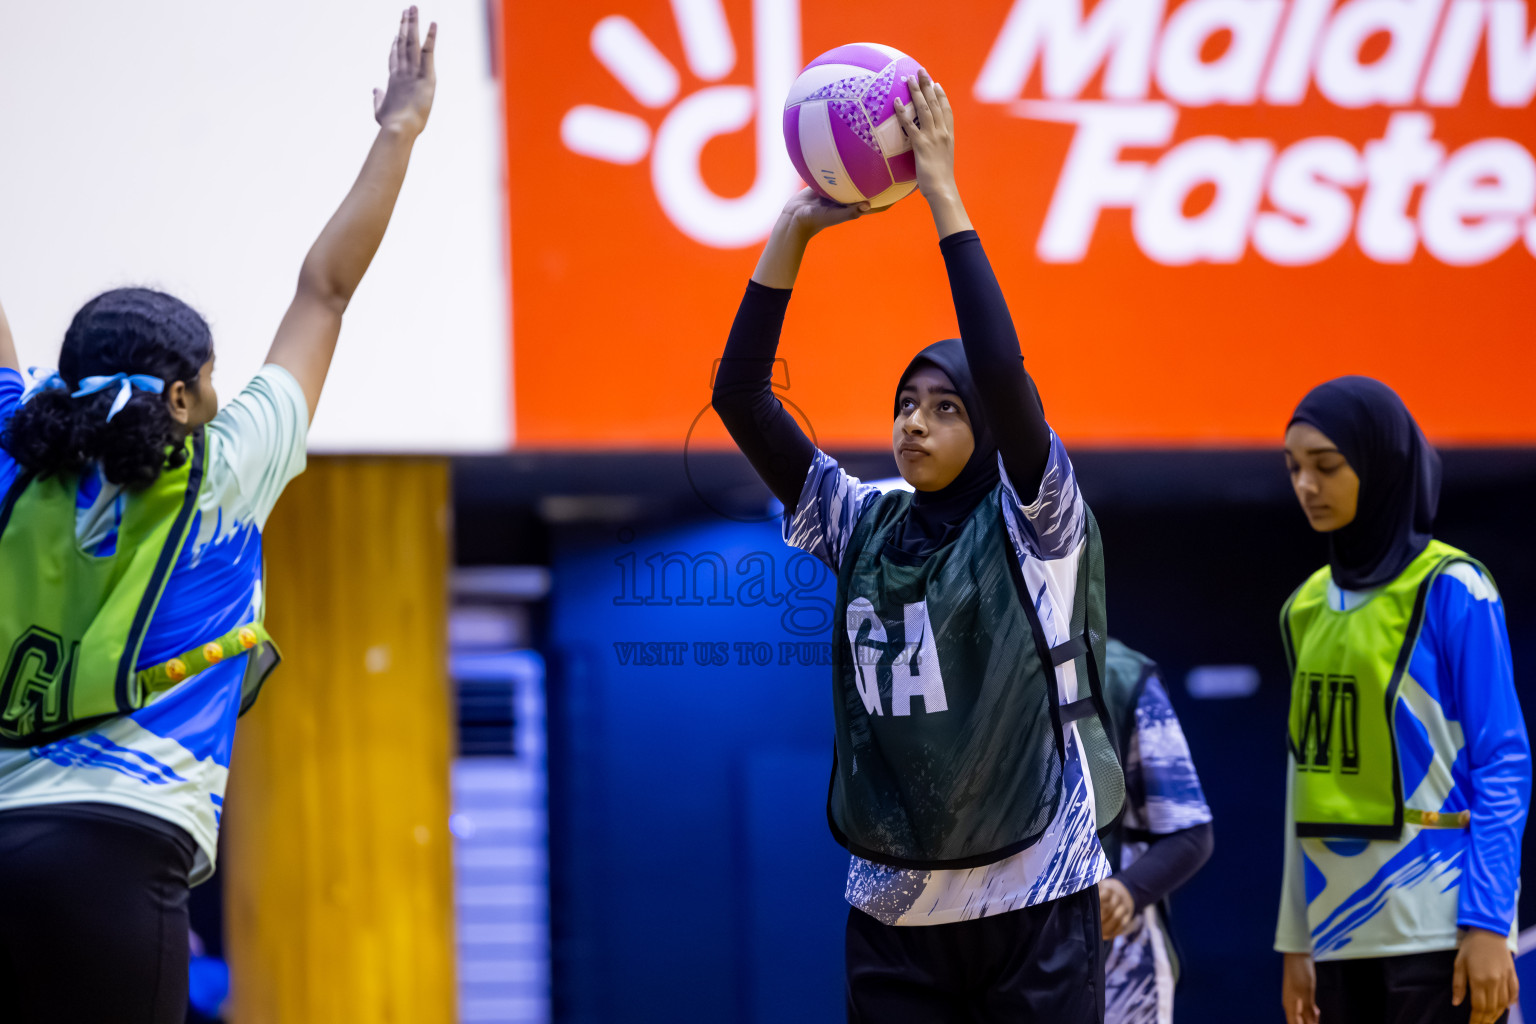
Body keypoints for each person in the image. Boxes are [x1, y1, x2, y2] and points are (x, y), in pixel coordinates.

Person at [0, 9, 437, 1021]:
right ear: (190, 396)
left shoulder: (15, 457)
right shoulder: (222, 471)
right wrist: (398, 132)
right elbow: (324, 292)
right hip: (123, 842)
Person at [713, 72, 1125, 1022]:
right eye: (905, 403)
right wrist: (791, 233)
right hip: (894, 907)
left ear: (983, 423)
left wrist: (943, 194)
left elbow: (1005, 371)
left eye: (944, 408)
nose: (915, 423)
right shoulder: (864, 518)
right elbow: (740, 397)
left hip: (1037, 892)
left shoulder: (1038, 517)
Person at [1275, 377, 1529, 1024]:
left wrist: (1488, 921)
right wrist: (1295, 938)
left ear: (1382, 464)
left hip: (1439, 929)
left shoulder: (1455, 588)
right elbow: (1303, 775)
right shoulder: (1303, 606)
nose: (1307, 485)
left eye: (1326, 467)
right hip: (1335, 934)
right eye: (1294, 468)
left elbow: (1503, 762)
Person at [1098, 639, 1214, 1024]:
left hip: (1120, 974)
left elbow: (1190, 831)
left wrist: (1127, 891)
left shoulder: (1121, 673)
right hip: (995, 961)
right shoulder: (954, 663)